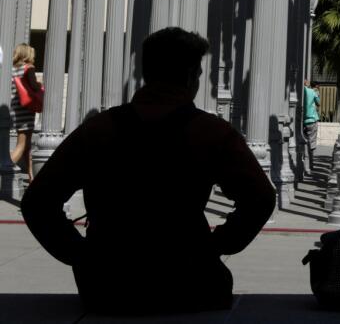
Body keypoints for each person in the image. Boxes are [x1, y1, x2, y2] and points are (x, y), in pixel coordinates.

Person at [21, 28, 274, 315]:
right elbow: (261, 197)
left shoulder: (99, 129)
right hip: (188, 284)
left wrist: (81, 256)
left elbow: (37, 202)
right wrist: (215, 245)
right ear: (191, 76)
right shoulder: (211, 133)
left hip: (108, 287)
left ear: (147, 71)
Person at [10, 43, 41, 180]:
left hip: (16, 108)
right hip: (26, 109)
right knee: (21, 144)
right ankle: (4, 168)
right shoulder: (29, 68)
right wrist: (39, 84)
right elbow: (34, 86)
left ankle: (30, 175)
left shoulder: (12, 69)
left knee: (27, 143)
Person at [302, 79, 320, 179]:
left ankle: (305, 165)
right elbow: (318, 103)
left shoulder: (300, 91)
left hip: (302, 121)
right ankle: (310, 166)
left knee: (303, 144)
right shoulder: (312, 92)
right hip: (312, 120)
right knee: (311, 143)